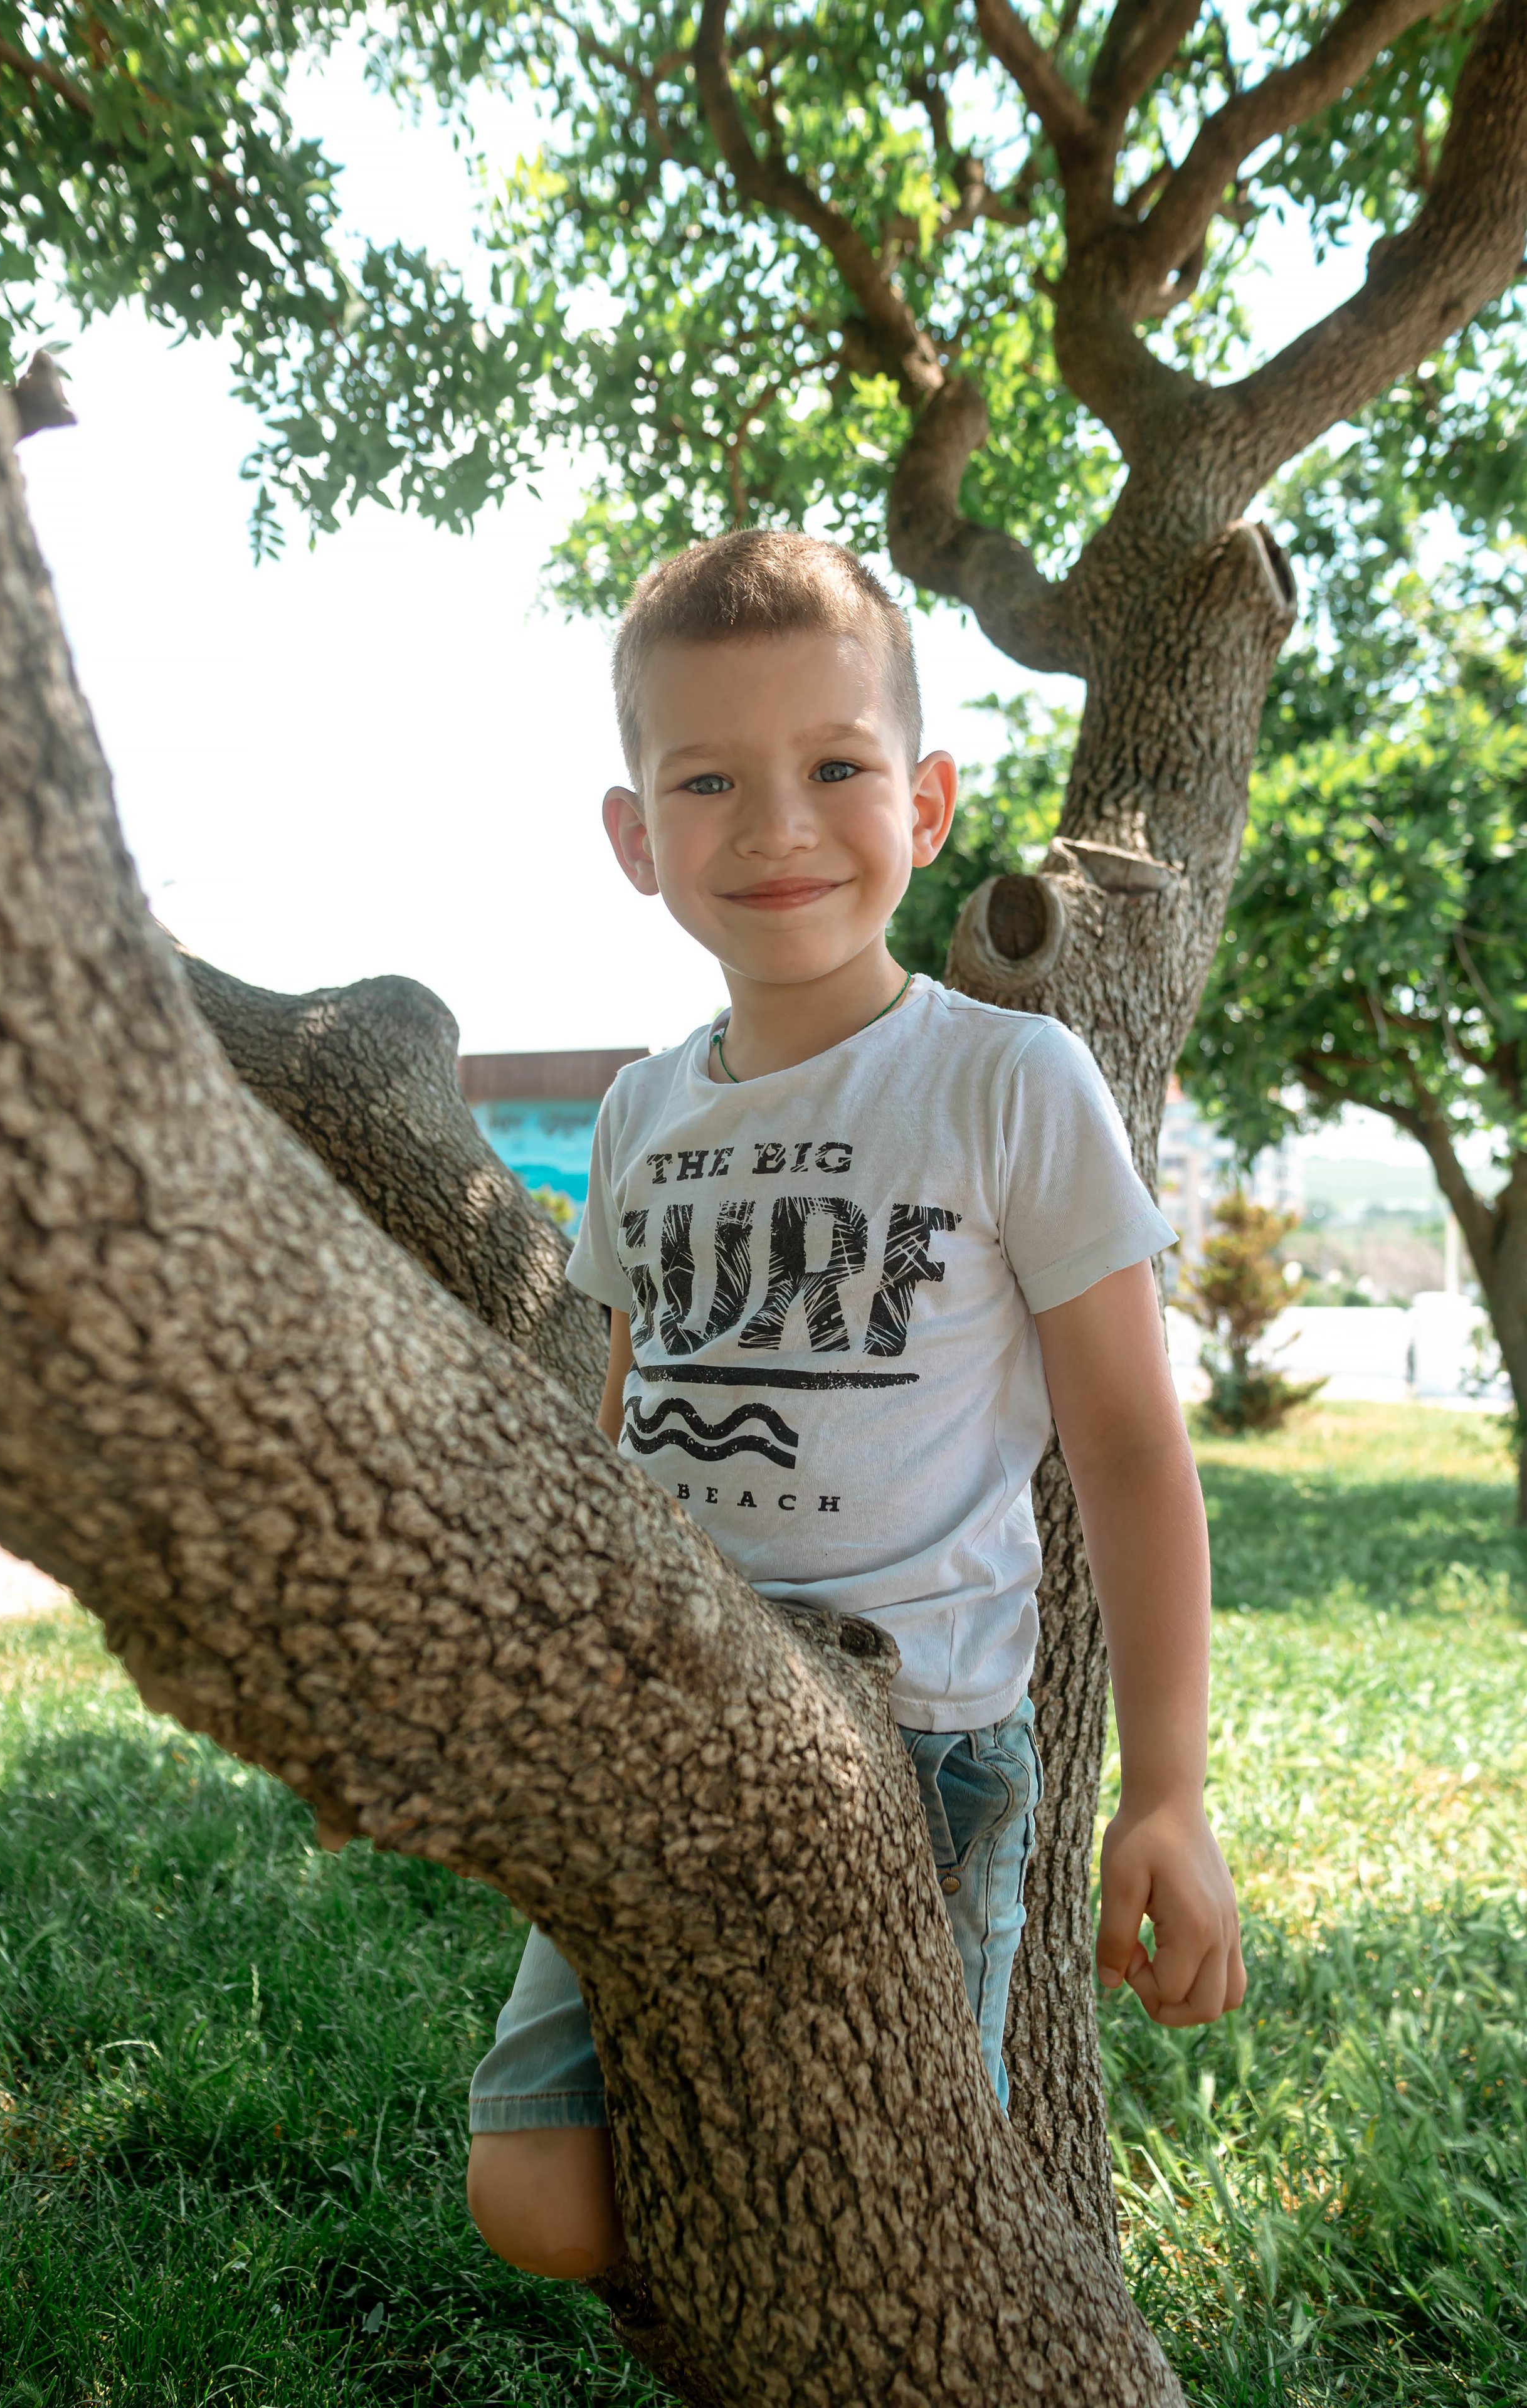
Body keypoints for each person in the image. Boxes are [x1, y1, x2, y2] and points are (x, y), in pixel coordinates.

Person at [465, 529, 1245, 2280]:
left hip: (912, 1743)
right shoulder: (640, 1108)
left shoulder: (1006, 1080)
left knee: (881, 2217)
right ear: (633, 837)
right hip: (664, 1709)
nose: (776, 827)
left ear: (930, 801)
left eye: (836, 768)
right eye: (709, 781)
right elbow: (612, 1423)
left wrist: (1169, 1791)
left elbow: (1131, 1447)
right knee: (540, 2200)